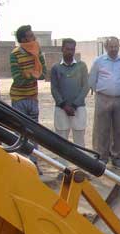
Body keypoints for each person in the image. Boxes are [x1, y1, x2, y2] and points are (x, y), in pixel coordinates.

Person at [89, 36, 120, 170]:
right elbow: (92, 81)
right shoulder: (98, 61)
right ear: (106, 48)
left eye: (116, 46)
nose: (113, 49)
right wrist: (103, 92)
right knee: (102, 129)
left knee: (119, 129)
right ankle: (102, 157)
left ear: (119, 46)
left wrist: (117, 91)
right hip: (103, 98)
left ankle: (117, 157)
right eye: (111, 47)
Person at [9, 25, 46, 174]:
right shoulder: (15, 54)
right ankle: (20, 165)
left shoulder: (37, 51)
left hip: (33, 98)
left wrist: (29, 74)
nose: (34, 38)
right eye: (31, 36)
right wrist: (33, 74)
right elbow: (17, 79)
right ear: (23, 39)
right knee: (20, 131)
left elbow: (43, 74)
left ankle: (34, 164)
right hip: (18, 99)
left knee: (33, 132)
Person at [50, 38, 89, 149]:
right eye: (67, 49)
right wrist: (64, 105)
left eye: (72, 49)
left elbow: (85, 87)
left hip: (79, 108)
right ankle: (62, 166)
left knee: (80, 142)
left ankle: (81, 165)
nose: (70, 52)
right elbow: (54, 89)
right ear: (62, 49)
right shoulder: (56, 68)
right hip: (61, 109)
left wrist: (75, 105)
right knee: (61, 141)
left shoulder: (81, 66)